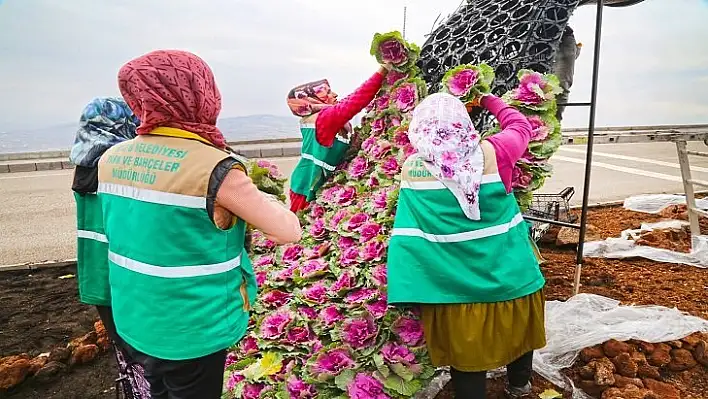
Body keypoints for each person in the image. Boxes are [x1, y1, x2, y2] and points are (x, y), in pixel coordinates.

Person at [97, 49, 302, 399]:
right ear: (198, 93)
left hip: (136, 316)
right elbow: (288, 231)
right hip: (192, 327)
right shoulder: (216, 167)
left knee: (157, 389)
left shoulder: (112, 158)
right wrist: (262, 199)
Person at [387, 93, 546, 399]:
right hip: (509, 273)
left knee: (466, 355)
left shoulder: (412, 168)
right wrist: (487, 99)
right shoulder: (496, 152)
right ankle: (519, 386)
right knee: (518, 333)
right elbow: (520, 125)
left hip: (454, 287)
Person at [70, 96, 138, 349]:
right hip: (126, 279)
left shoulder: (84, 164)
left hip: (99, 281)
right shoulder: (121, 168)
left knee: (124, 351)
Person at [287, 64, 391, 212]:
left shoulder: (316, 116)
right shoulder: (323, 119)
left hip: (307, 184)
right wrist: (382, 71)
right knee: (300, 229)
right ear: (311, 99)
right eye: (327, 93)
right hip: (306, 190)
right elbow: (355, 101)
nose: (335, 94)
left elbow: (346, 102)